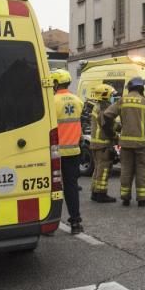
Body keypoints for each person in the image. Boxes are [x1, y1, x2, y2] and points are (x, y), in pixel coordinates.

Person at [102, 76, 145, 206]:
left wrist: (113, 130)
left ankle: (125, 197)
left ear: (130, 87)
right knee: (141, 170)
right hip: (142, 143)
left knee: (126, 170)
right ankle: (142, 199)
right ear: (141, 88)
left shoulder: (122, 100)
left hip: (125, 143)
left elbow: (107, 115)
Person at [51, 70, 85, 233]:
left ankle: (49, 224)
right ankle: (75, 223)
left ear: (56, 83)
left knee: (52, 188)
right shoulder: (78, 100)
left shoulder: (52, 101)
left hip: (54, 153)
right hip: (73, 152)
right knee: (71, 187)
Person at [87, 84, 116, 204]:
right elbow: (106, 126)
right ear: (105, 95)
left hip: (95, 143)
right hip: (103, 144)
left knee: (98, 169)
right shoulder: (104, 108)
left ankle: (95, 192)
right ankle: (101, 194)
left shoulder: (96, 106)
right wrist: (115, 136)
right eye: (111, 95)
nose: (112, 97)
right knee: (103, 169)